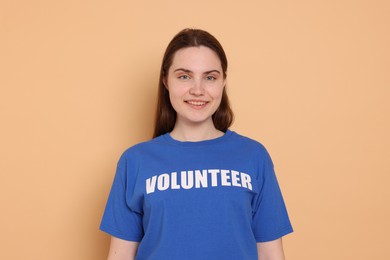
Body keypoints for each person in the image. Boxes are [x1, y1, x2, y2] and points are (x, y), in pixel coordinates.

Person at [100, 28, 293, 260]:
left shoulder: (254, 156)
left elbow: (270, 254)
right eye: (184, 76)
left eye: (210, 77)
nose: (198, 90)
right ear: (165, 80)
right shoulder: (135, 161)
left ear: (223, 82)